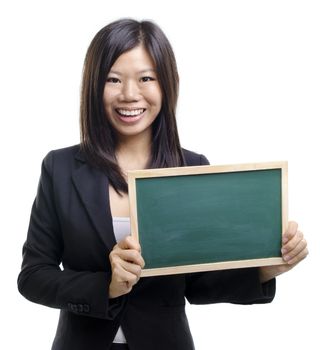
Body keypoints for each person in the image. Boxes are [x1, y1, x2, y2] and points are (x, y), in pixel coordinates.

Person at [18, 19, 308, 350]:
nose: (129, 94)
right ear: (94, 86)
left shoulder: (192, 167)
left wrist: (264, 269)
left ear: (166, 84)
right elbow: (33, 276)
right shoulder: (60, 167)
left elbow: (199, 283)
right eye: (113, 79)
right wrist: (106, 286)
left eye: (146, 78)